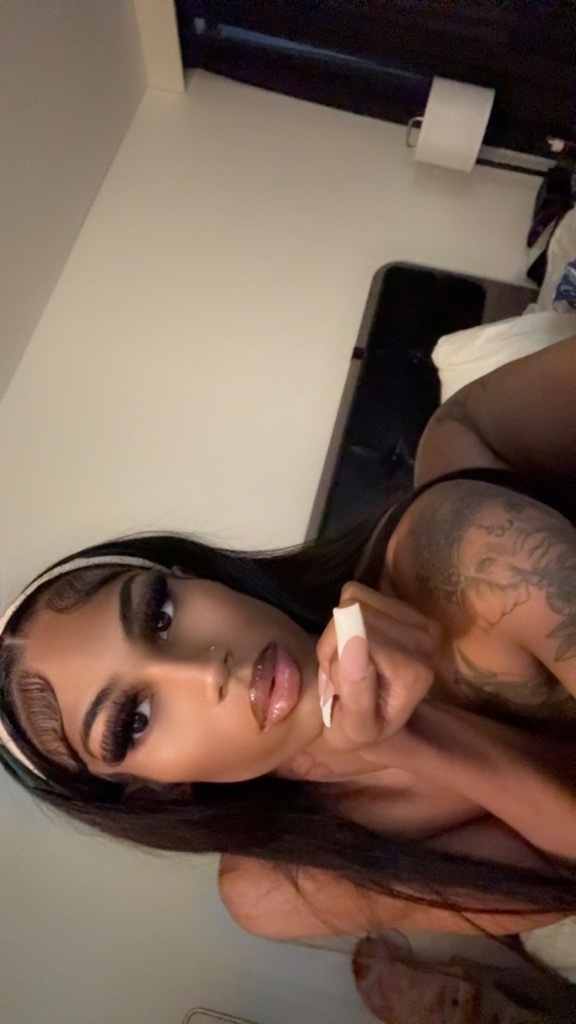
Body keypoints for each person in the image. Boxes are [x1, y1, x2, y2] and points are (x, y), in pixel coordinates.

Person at [1, 335, 576, 953]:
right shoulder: (281, 887)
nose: (205, 673)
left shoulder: (476, 552)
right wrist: (418, 739)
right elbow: (557, 887)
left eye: (161, 614)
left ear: (196, 578)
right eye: (134, 720)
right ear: (151, 790)